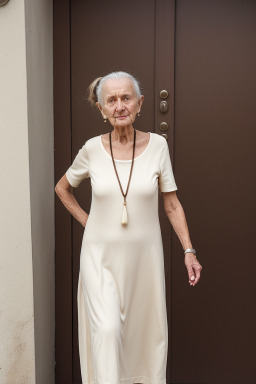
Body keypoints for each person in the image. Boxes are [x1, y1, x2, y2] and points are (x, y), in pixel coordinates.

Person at [55, 71, 202, 384]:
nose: (119, 105)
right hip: (100, 259)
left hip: (144, 262)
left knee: (144, 340)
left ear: (140, 104)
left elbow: (172, 204)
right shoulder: (91, 149)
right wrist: (87, 220)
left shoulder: (158, 147)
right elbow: (62, 188)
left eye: (126, 98)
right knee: (107, 331)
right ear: (102, 109)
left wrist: (188, 250)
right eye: (111, 100)